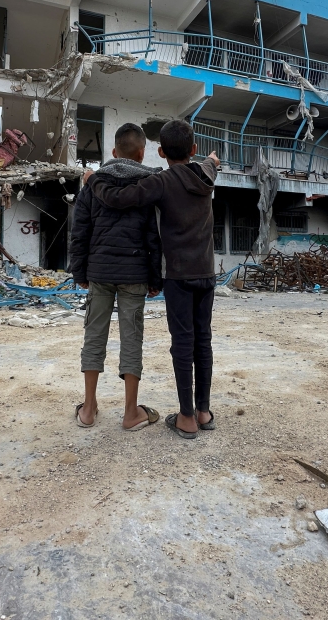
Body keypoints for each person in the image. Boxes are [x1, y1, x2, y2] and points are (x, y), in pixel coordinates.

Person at [85, 120, 221, 440]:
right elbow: (212, 163)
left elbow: (120, 199)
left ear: (160, 152)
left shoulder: (161, 182)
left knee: (183, 343)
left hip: (177, 275)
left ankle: (186, 418)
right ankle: (203, 410)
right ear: (194, 150)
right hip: (206, 272)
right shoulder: (207, 173)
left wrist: (93, 182)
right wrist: (212, 160)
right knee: (204, 340)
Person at [69, 122, 163, 431]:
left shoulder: (93, 185)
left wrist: (79, 271)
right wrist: (155, 278)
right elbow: (154, 237)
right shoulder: (148, 186)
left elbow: (79, 233)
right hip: (135, 274)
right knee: (131, 338)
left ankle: (88, 409)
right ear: (141, 152)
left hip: (98, 273)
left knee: (94, 335)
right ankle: (130, 412)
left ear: (113, 152)